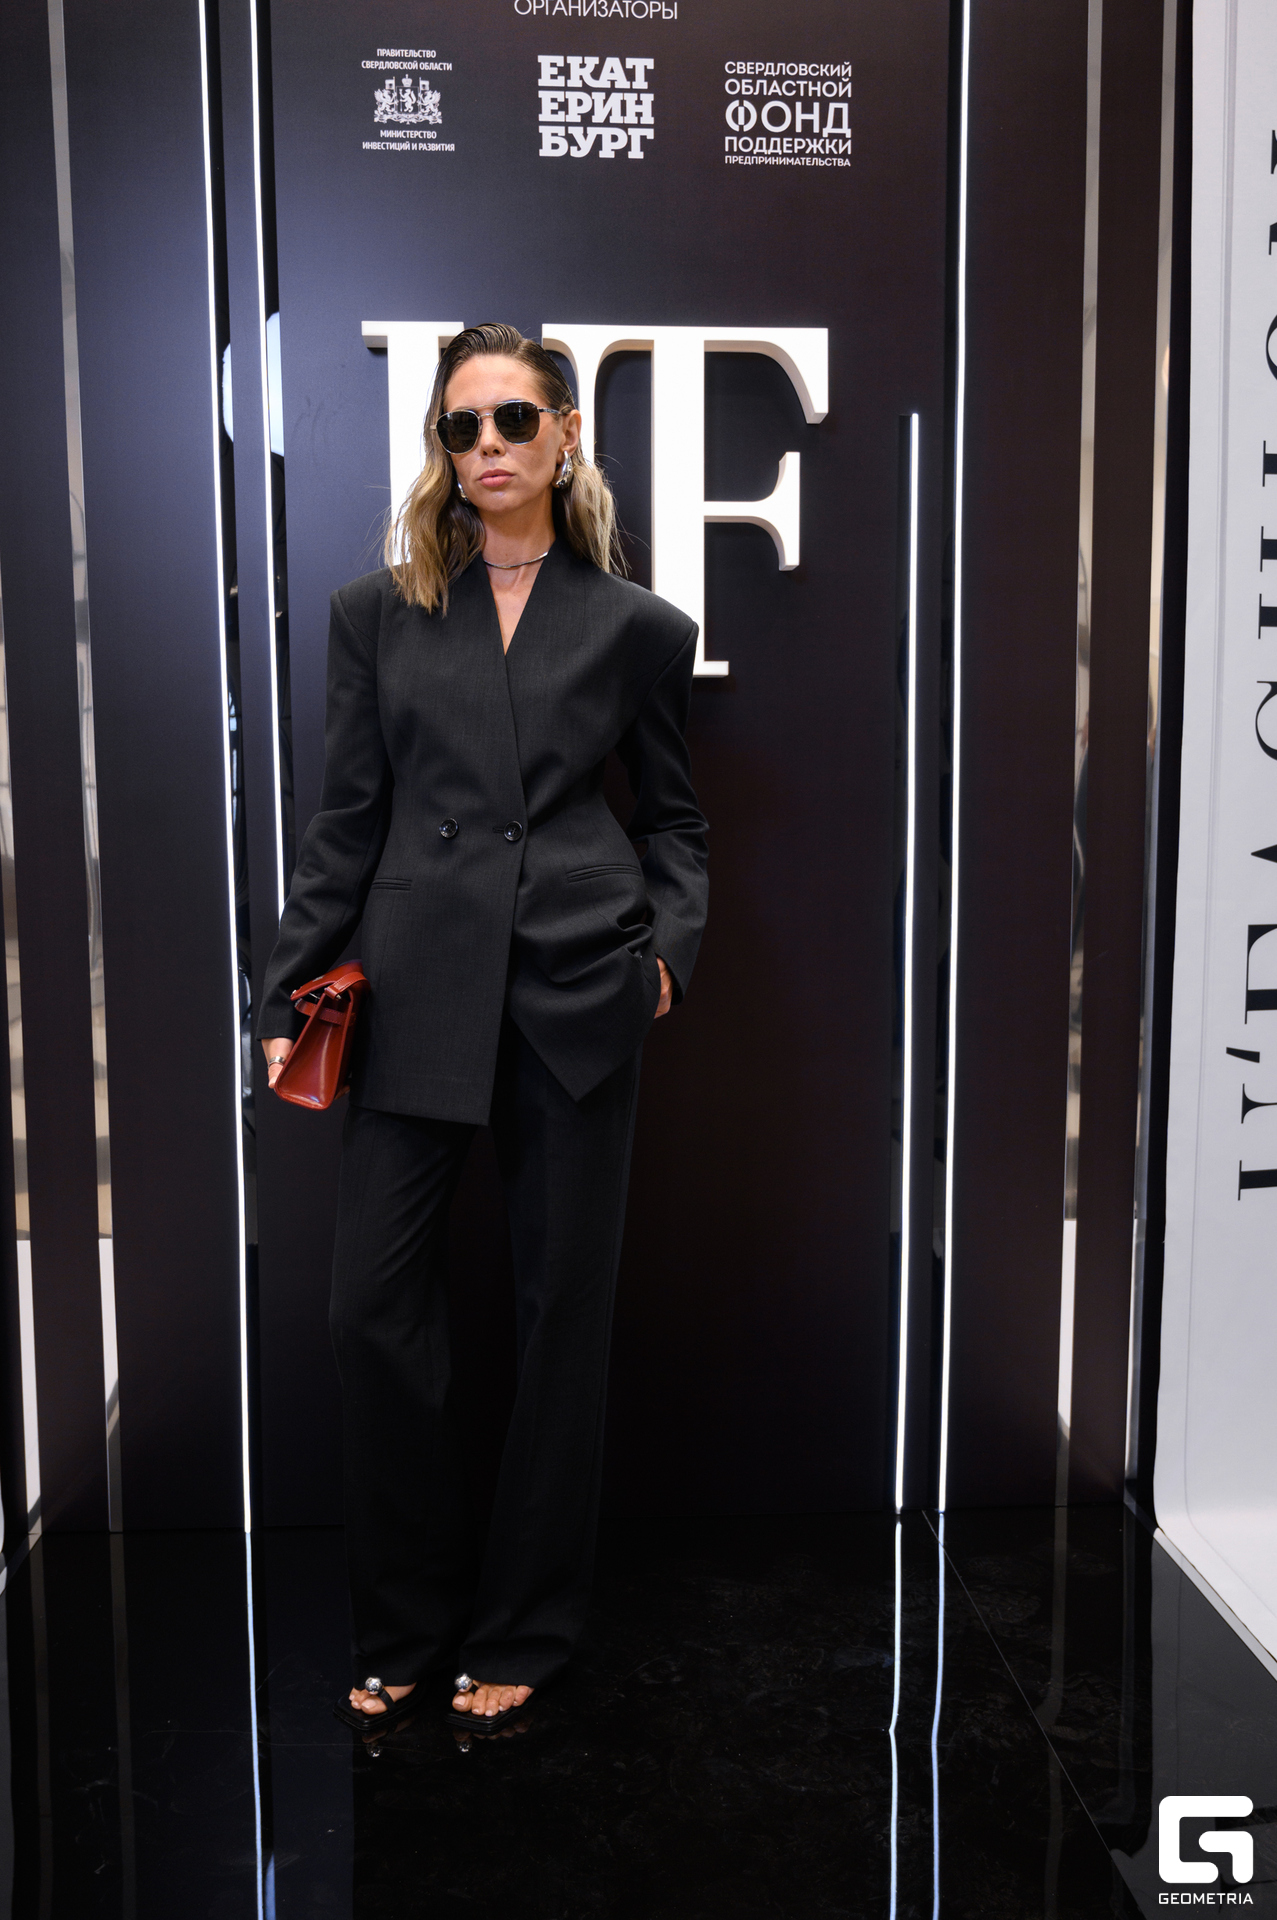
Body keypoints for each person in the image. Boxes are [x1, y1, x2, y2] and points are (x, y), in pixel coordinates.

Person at [256, 323, 709, 1732]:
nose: (490, 446)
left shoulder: (638, 627)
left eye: (515, 419)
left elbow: (676, 822)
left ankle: (526, 1624)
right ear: (441, 451)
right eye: (463, 426)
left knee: (561, 1318)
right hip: (415, 988)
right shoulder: (378, 613)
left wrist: (665, 955)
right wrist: (287, 989)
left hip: (577, 987)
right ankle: (404, 1621)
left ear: (566, 433)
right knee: (369, 1313)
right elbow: (345, 820)